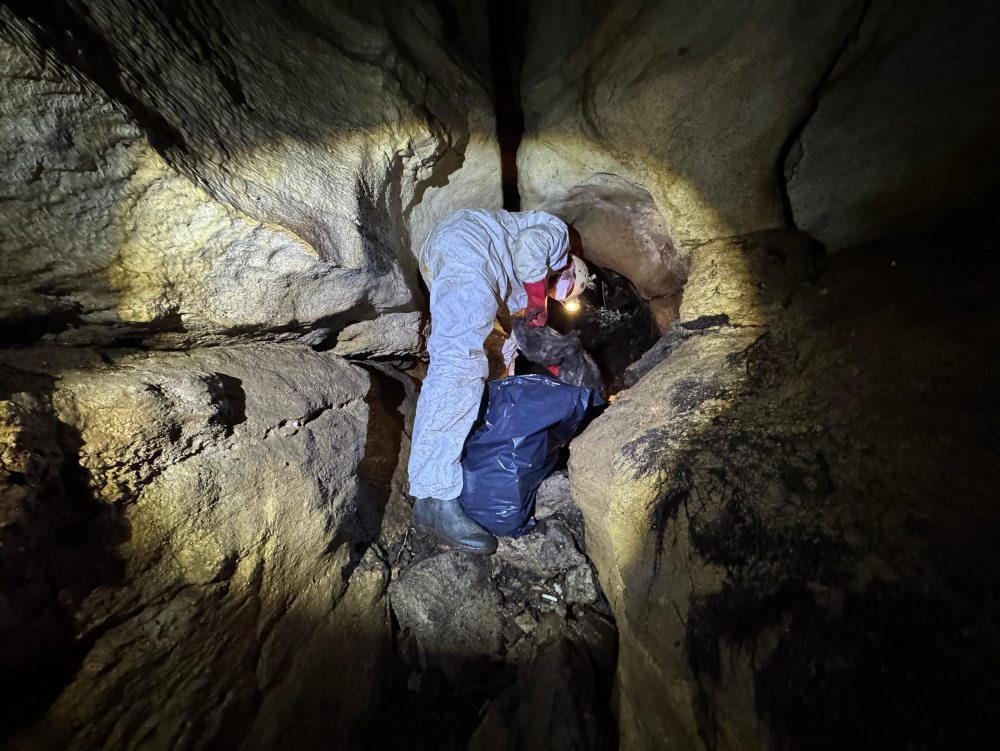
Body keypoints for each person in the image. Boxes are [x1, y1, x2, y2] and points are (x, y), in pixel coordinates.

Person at [407, 208, 591, 554]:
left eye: (557, 297)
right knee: (460, 362)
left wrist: (546, 376)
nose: (554, 296)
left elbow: (508, 343)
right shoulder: (557, 237)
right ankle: (432, 494)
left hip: (466, 263)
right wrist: (538, 299)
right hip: (470, 244)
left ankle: (458, 466)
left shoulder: (514, 287)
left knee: (491, 362)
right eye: (562, 289)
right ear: (570, 268)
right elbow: (529, 247)